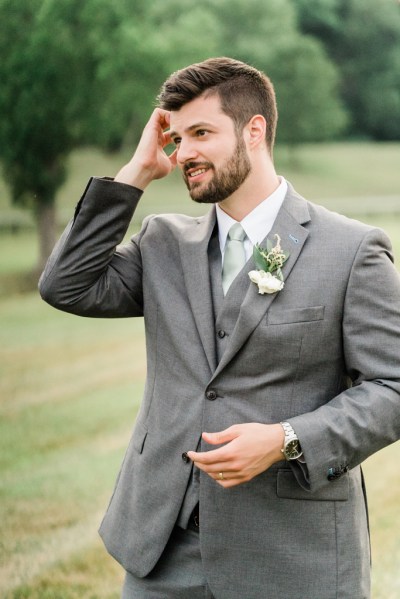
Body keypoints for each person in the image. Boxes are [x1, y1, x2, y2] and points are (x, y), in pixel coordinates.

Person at [39, 57, 400, 599]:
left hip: (291, 556)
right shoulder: (162, 244)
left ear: (255, 131)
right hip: (161, 553)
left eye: (201, 133)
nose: (184, 153)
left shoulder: (351, 251)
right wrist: (136, 172)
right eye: (176, 138)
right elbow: (65, 284)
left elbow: (392, 388)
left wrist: (287, 440)